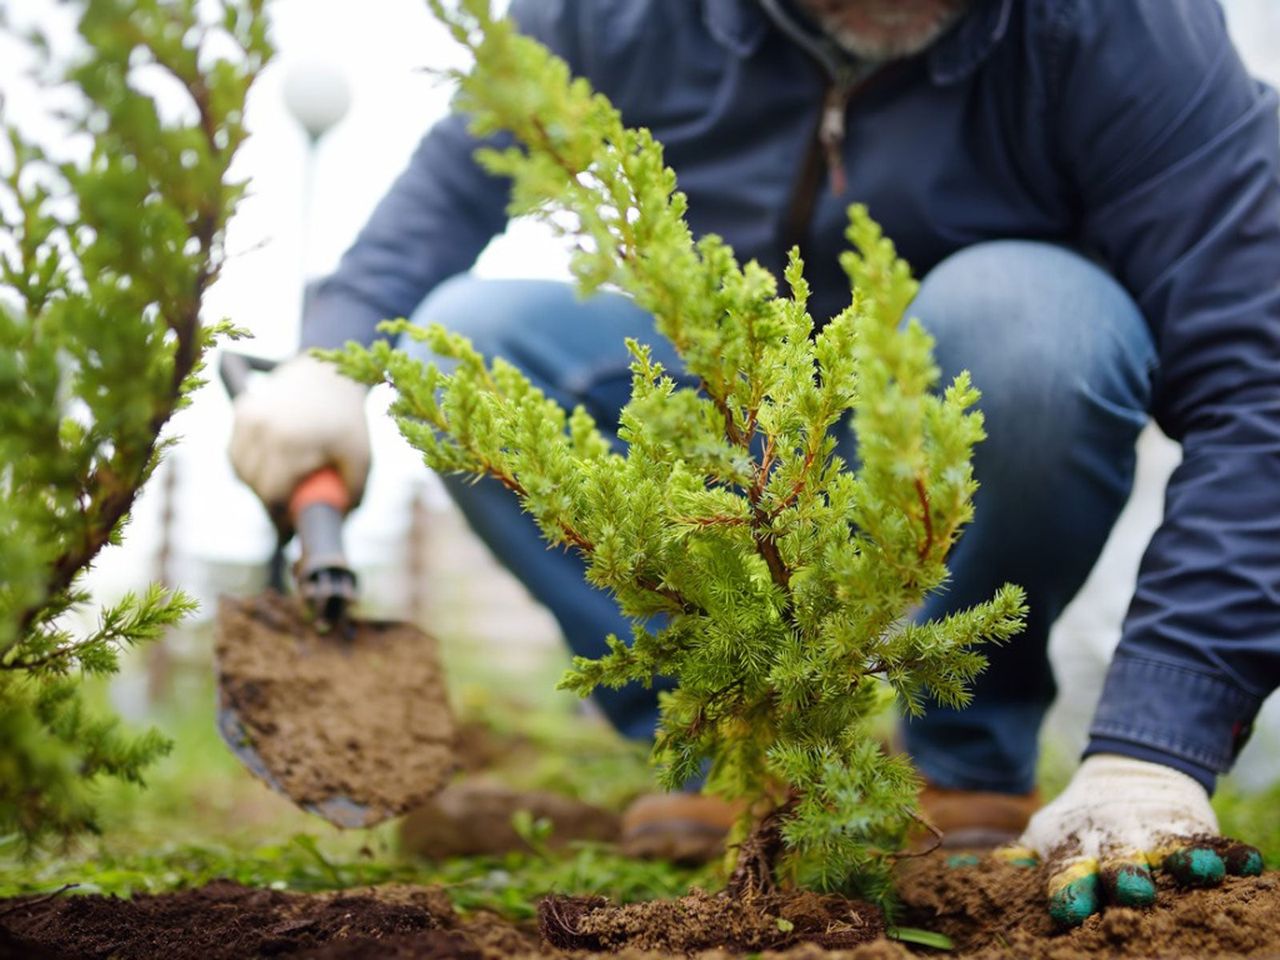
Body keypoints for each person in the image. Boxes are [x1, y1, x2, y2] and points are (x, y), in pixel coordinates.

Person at [230, 0, 1280, 922]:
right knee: (455, 349)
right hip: (733, 418)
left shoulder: (1127, 26)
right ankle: (726, 741)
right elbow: (456, 180)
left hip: (954, 427)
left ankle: (962, 758)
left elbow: (1256, 378)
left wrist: (1155, 742)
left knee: (1033, 325)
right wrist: (334, 352)